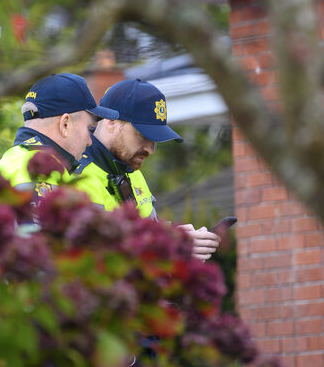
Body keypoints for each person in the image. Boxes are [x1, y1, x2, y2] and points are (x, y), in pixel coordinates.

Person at [74, 78, 221, 261]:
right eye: (143, 135)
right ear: (111, 122)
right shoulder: (75, 176)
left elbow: (144, 233)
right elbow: (97, 255)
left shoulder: (133, 173)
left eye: (155, 140)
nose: (150, 149)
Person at [0, 73, 118, 197]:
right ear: (65, 124)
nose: (89, 141)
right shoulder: (39, 170)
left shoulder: (16, 158)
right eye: (88, 128)